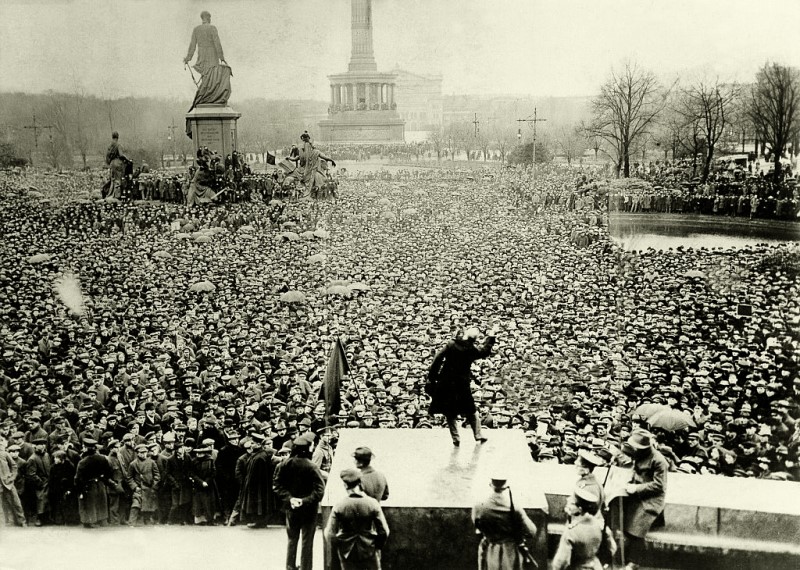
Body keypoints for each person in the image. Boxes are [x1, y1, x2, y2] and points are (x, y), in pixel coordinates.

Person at [429, 325, 499, 446]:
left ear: (465, 335)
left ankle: (456, 438)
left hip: (446, 382)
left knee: (449, 412)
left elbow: (437, 359)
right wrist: (491, 335)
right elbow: (484, 352)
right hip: (462, 384)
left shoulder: (451, 344)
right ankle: (478, 435)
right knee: (471, 410)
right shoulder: (471, 349)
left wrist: (433, 377)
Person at [273, 433, 325, 570]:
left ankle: (290, 566)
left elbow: (277, 486)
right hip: (309, 509)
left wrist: (290, 499)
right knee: (307, 541)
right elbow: (319, 490)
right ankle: (305, 567)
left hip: (291, 508)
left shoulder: (283, 465)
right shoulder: (312, 467)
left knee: (292, 539)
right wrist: (305, 500)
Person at [620, 429, 668, 570]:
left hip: (651, 499)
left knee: (637, 527)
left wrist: (636, 488)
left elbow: (659, 486)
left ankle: (634, 562)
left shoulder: (659, 461)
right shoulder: (639, 454)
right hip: (636, 494)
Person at [324, 468, 390, 570]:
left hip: (347, 553)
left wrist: (340, 548)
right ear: (360, 483)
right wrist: (376, 547)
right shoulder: (373, 504)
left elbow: (329, 533)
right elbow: (384, 531)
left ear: (345, 485)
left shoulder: (339, 506)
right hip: (369, 551)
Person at [471, 471, 537, 570]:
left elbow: (477, 525)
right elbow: (532, 531)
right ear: (506, 486)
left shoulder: (479, 507)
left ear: (491, 484)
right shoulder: (515, 508)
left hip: (490, 550)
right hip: (510, 553)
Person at [552, 487, 615, 570]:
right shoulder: (600, 526)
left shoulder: (572, 531)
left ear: (580, 509)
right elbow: (612, 548)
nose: (568, 504)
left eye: (572, 503)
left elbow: (561, 562)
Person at [74, 438, 113, 528]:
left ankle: (90, 521)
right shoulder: (103, 458)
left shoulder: (83, 462)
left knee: (89, 503)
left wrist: (79, 490)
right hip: (100, 483)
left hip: (88, 485)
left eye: (84, 447)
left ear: (87, 448)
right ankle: (102, 520)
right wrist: (104, 479)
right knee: (101, 501)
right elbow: (109, 471)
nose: (82, 448)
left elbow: (78, 478)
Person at [184, 11, 226, 76]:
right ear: (208, 18)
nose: (210, 20)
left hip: (201, 57)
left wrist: (188, 58)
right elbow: (217, 44)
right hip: (212, 57)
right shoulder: (212, 28)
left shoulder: (196, 29)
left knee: (205, 77)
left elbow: (192, 46)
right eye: (209, 18)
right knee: (212, 77)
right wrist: (221, 57)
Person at [127, 443, 160, 526]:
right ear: (137, 453)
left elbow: (157, 475)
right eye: (141, 453)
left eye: (145, 452)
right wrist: (135, 487)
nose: (143, 454)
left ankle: (147, 521)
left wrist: (154, 485)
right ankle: (132, 522)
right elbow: (129, 478)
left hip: (149, 487)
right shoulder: (133, 464)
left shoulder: (152, 462)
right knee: (135, 505)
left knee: (148, 507)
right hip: (138, 488)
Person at [0, 436, 26, 526]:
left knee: (16, 502)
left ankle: (22, 521)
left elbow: (14, 466)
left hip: (8, 482)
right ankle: (3, 523)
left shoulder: (5, 454)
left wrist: (12, 477)